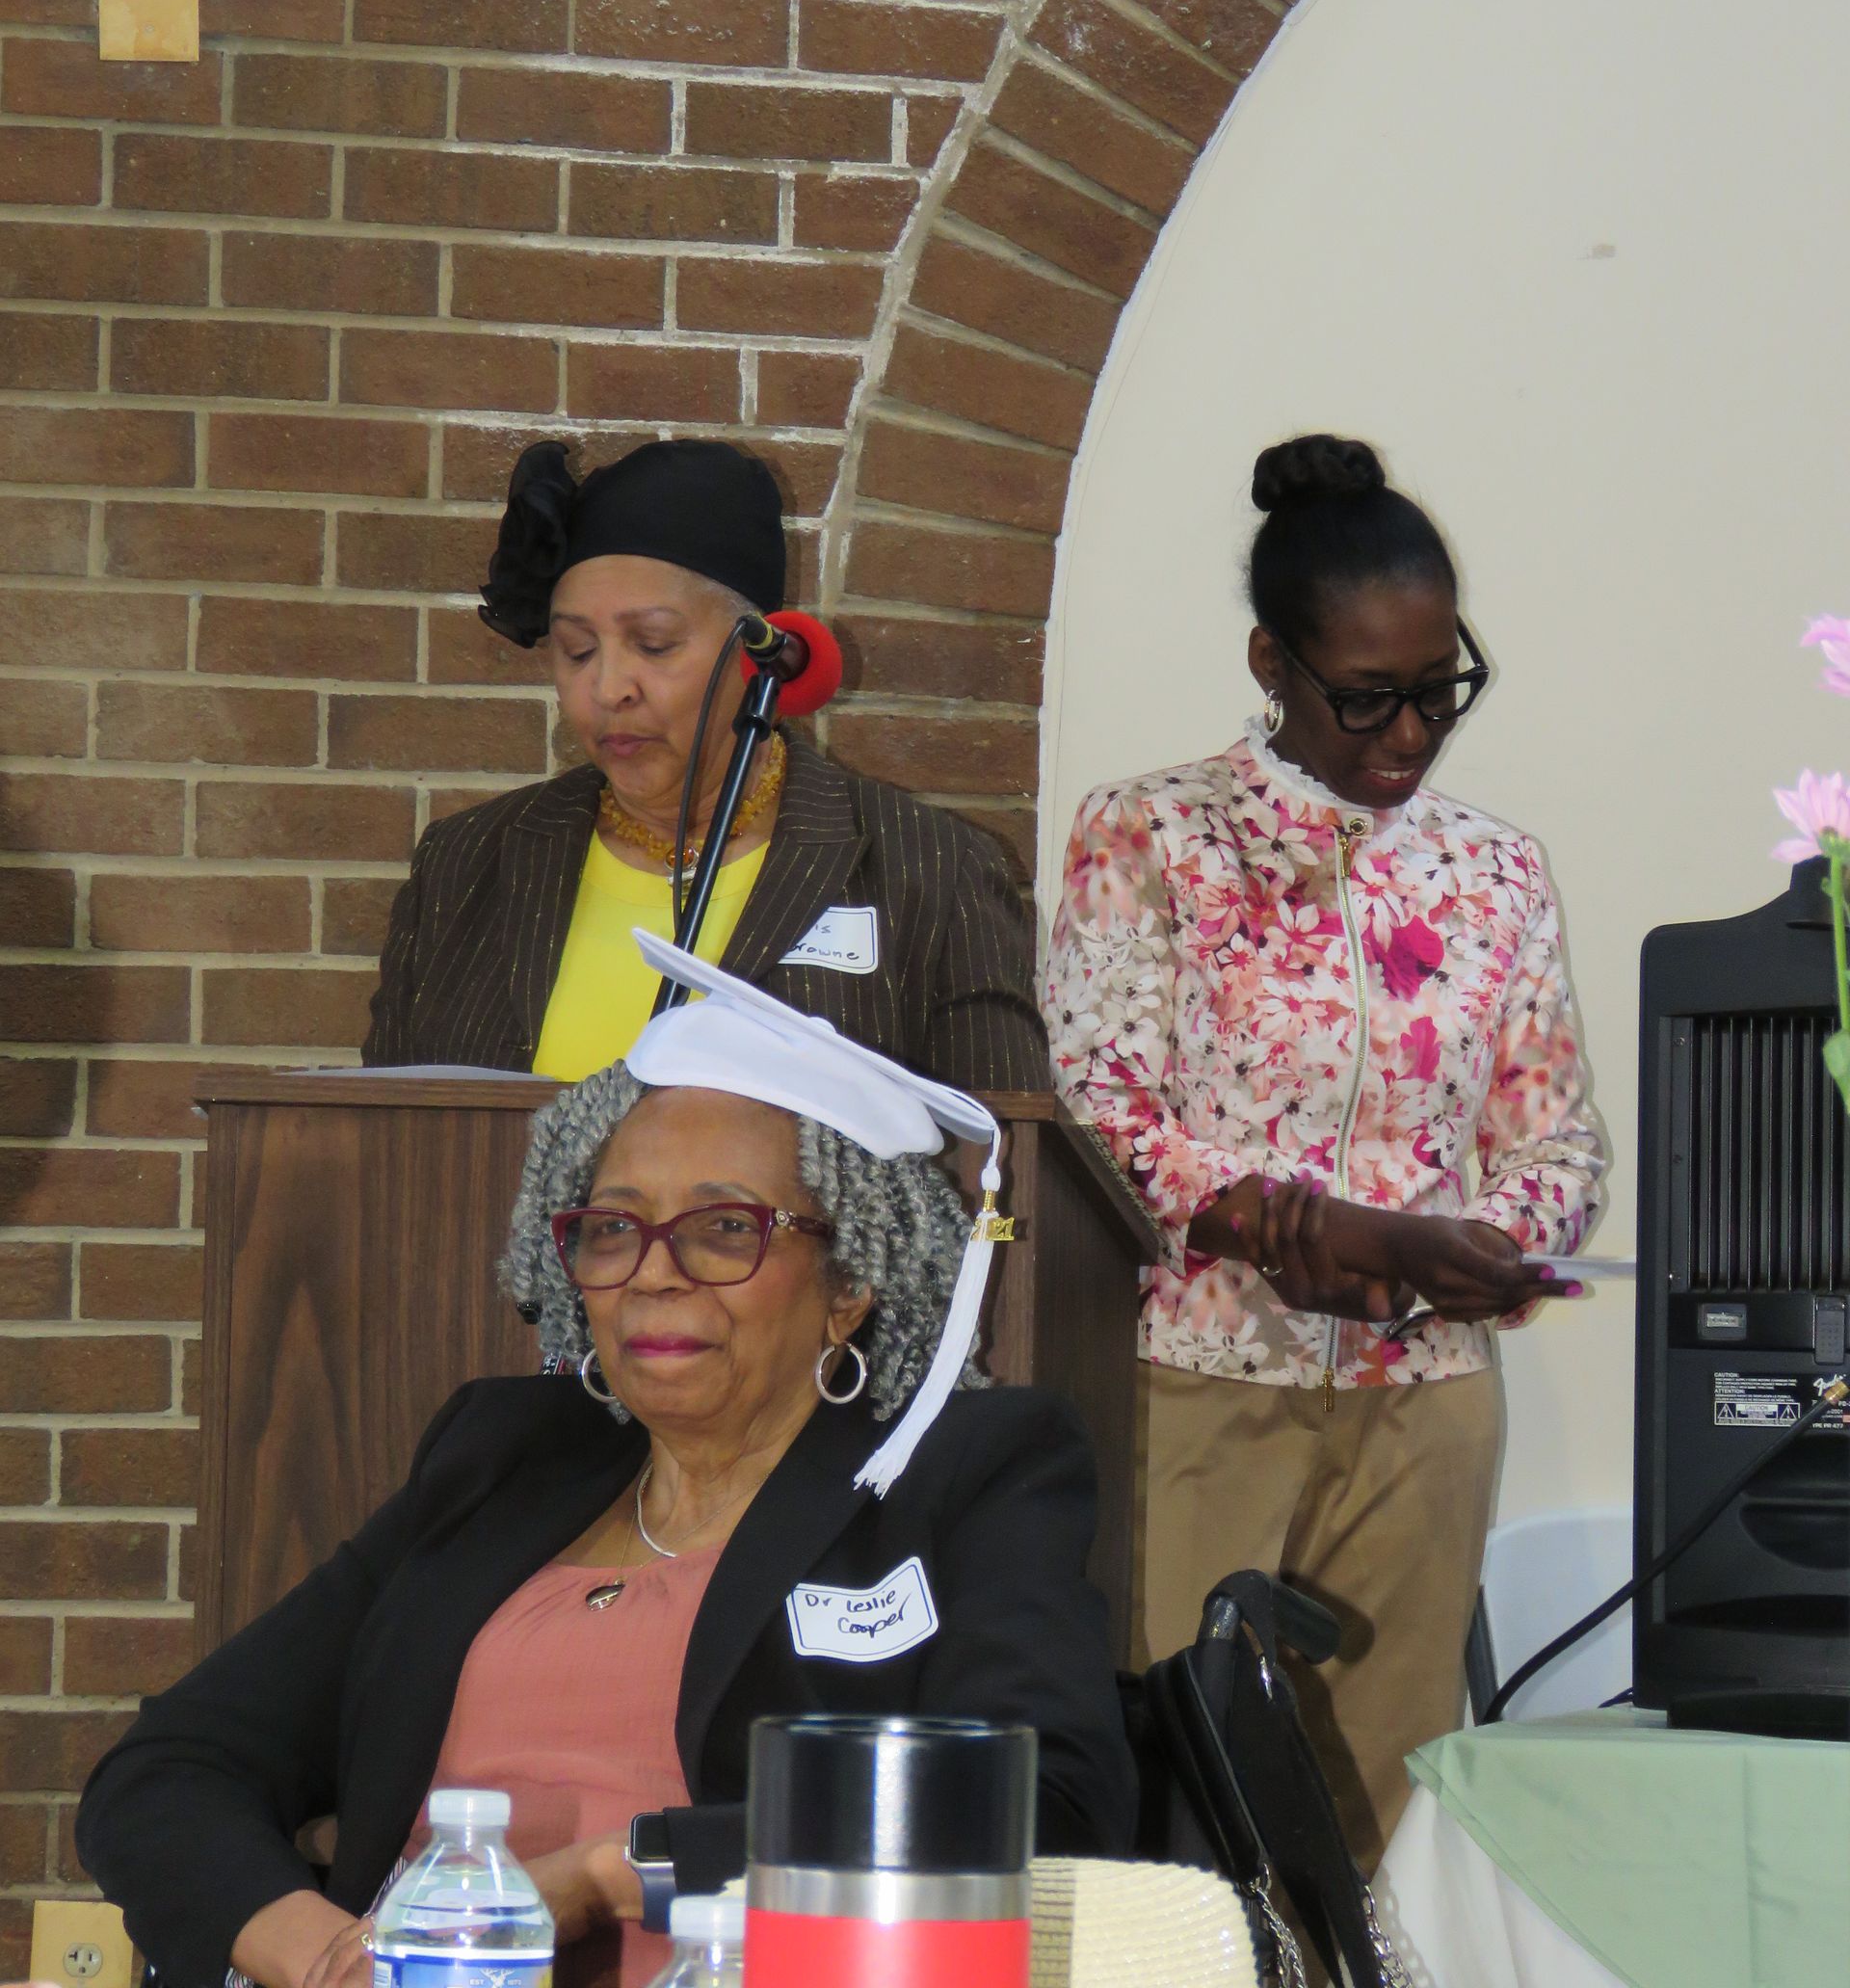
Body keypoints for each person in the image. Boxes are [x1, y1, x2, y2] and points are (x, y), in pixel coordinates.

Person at [78, 940, 1135, 1988]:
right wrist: (335, 1962)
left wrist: (610, 1876)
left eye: (726, 1229)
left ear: (852, 1280)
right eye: (612, 1227)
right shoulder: (503, 1456)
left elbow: (1047, 1810)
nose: (654, 1276)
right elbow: (169, 1771)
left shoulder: (967, 1475)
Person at [1043, 432, 1607, 1870]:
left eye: (1438, 693)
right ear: (1270, 665)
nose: (1408, 738)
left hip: (1423, 1405)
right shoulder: (1152, 833)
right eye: (1366, 700)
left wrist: (1476, 1250)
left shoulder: (1496, 868)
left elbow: (1557, 1135)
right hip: (1199, 1381)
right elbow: (1100, 1108)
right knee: (1182, 1790)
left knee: (1376, 1817)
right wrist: (1286, 1226)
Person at [363, 436, 1044, 1087]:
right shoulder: (464, 865)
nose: (608, 689)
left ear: (763, 651)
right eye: (576, 650)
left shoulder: (929, 871)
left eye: (654, 644)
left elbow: (1000, 1168)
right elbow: (386, 1150)